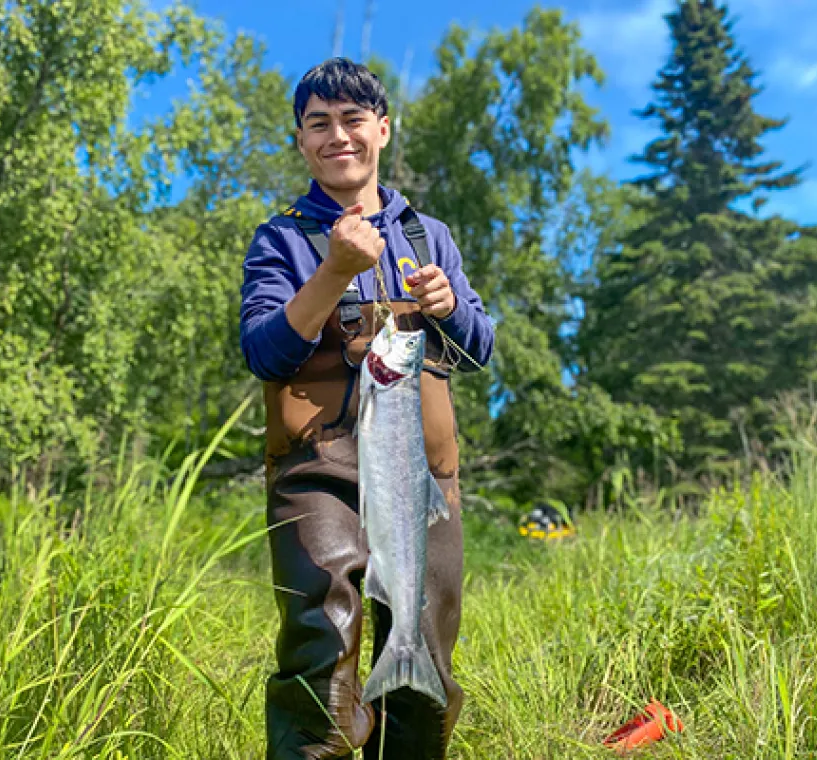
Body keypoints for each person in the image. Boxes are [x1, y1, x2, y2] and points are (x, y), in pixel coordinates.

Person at [239, 57, 495, 760]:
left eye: (353, 120)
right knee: (322, 651)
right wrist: (332, 272)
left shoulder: (427, 236)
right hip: (317, 474)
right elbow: (263, 353)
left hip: (423, 481)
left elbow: (480, 349)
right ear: (300, 142)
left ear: (382, 128)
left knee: (425, 665)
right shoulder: (281, 238)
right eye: (318, 124)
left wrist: (452, 309)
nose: (338, 136)